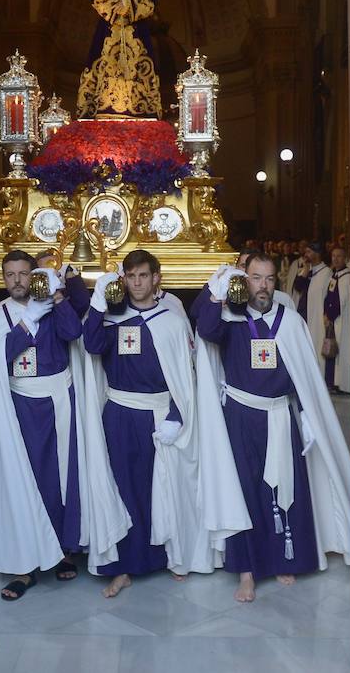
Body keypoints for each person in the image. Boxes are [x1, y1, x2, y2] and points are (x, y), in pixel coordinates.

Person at [194, 255, 350, 602]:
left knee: (286, 489)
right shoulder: (230, 319)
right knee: (247, 493)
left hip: (281, 416)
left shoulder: (290, 322)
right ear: (244, 279)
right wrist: (216, 290)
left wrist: (310, 419)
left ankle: (285, 558)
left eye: (268, 279)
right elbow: (205, 330)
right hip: (241, 417)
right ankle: (247, 572)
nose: (263, 286)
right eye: (255, 278)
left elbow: (306, 378)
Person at [0, 250, 126, 601]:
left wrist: (56, 299)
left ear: (34, 274)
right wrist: (27, 324)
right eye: (9, 275)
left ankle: (63, 549)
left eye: (23, 274)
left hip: (58, 400)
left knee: (61, 477)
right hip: (20, 404)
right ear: (3, 278)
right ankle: (25, 565)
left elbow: (75, 333)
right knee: (24, 478)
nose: (16, 281)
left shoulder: (51, 305)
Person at [80, 251, 212, 598]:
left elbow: (186, 377)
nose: (136, 282)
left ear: (156, 278)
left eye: (142, 276)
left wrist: (177, 415)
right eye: (130, 276)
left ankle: (168, 554)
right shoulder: (111, 319)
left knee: (162, 491)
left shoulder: (171, 319)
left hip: (159, 415)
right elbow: (90, 345)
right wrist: (96, 304)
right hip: (120, 414)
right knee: (122, 489)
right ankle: (123, 566)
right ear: (123, 279)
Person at [76, 0, 163, 118]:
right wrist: (112, 5)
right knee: (102, 60)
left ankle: (139, 106)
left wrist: (129, 4)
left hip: (135, 28)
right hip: (109, 27)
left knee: (138, 62)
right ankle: (102, 104)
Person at [321, 246, 350, 393]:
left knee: (340, 349)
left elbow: (342, 300)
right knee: (332, 349)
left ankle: (340, 383)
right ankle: (331, 382)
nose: (335, 259)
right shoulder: (334, 275)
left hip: (340, 320)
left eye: (339, 256)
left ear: (345, 258)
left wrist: (331, 315)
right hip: (332, 320)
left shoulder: (346, 277)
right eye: (333, 256)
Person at [300, 244, 334, 357]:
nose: (306, 255)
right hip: (308, 318)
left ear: (317, 253)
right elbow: (298, 286)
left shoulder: (327, 273)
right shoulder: (310, 272)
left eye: (309, 252)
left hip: (319, 320)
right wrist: (305, 268)